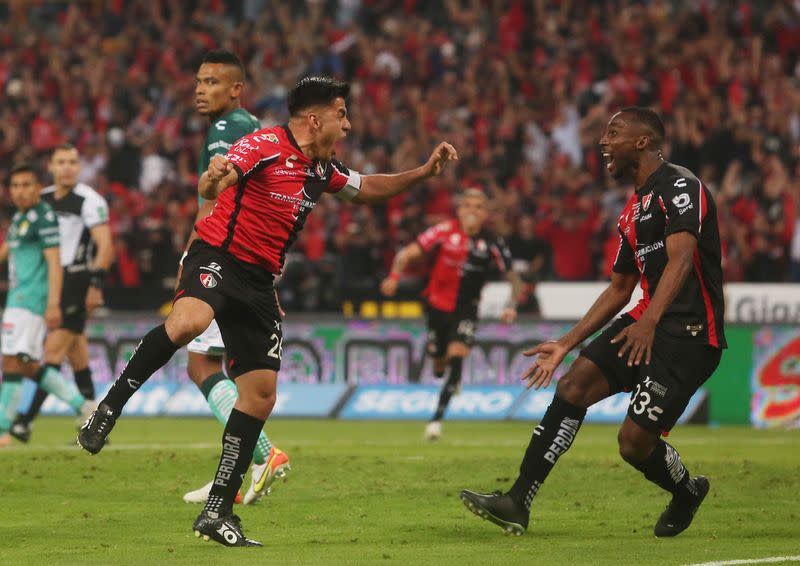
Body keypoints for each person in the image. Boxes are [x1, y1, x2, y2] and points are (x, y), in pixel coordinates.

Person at [78, 76, 459, 547]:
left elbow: (367, 188)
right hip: (217, 255)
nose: (349, 124)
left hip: (259, 283)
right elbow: (216, 179)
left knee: (259, 397)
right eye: (342, 114)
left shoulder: (321, 171)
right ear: (316, 118)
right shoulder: (263, 144)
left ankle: (217, 512)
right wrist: (213, 177)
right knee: (189, 323)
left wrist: (422, 173)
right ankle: (107, 409)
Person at [460, 107, 726, 538]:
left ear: (641, 141)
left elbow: (681, 260)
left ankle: (686, 490)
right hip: (645, 321)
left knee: (633, 445)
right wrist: (565, 343)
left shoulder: (681, 186)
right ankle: (517, 501)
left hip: (690, 335)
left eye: (613, 133)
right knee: (572, 386)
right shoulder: (632, 211)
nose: (603, 141)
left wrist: (651, 319)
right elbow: (620, 288)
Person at [178, 49, 290, 507]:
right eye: (199, 82)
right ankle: (239, 468)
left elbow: (217, 193)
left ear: (236, 89)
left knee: (201, 366)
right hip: (246, 262)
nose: (201, 90)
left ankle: (262, 456)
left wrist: (190, 255)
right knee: (230, 370)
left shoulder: (228, 129)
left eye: (212, 82)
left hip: (222, 261)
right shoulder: (248, 127)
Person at [380, 188, 520, 440]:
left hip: (466, 309)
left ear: (485, 213)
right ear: (459, 210)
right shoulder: (443, 231)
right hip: (436, 307)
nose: (472, 211)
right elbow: (408, 253)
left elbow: (513, 278)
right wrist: (393, 276)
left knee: (456, 358)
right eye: (467, 205)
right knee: (438, 366)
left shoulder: (492, 242)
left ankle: (435, 421)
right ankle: (447, 372)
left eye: (478, 207)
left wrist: (511, 305)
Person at [10, 145, 112, 442]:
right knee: (77, 354)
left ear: (79, 167)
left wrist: (96, 285)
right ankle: (96, 425)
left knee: (52, 351)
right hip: (48, 281)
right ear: (51, 167)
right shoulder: (40, 200)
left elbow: (105, 245)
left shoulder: (89, 201)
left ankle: (24, 421)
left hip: (77, 281)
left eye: (72, 162)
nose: (67, 167)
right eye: (60, 162)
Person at [0, 164, 95, 447]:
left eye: (26, 185)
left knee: (11, 361)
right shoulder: (21, 218)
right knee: (27, 365)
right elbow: (7, 252)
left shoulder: (43, 218)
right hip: (19, 297)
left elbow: (55, 262)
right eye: (15, 186)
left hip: (29, 299)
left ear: (38, 188)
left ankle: (4, 428)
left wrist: (53, 303)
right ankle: (84, 406)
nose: (19, 191)